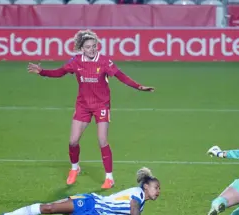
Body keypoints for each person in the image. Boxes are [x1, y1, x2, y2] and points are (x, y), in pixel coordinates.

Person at [27, 29, 155, 189]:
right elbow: (60, 72)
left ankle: (109, 178)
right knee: (73, 141)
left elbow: (121, 76)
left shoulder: (104, 62)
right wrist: (42, 72)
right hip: (83, 105)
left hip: (101, 105)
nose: (92, 49)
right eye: (88, 47)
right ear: (81, 49)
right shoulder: (76, 61)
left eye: (94, 46)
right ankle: (75, 168)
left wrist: (138, 86)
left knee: (102, 140)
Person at [0, 167, 178, 215]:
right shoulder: (136, 195)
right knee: (49, 208)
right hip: (91, 203)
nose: (159, 192)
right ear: (146, 186)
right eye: (157, 187)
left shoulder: (140, 204)